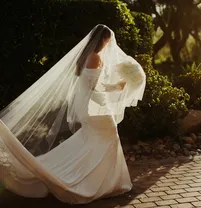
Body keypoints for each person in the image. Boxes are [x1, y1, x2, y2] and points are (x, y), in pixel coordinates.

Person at [0, 24, 146, 204]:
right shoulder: (94, 57)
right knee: (109, 138)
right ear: (102, 39)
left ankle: (99, 180)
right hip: (93, 107)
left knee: (92, 142)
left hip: (87, 106)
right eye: (108, 40)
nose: (110, 43)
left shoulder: (87, 56)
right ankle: (101, 183)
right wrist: (117, 87)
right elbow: (94, 87)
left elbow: (89, 85)